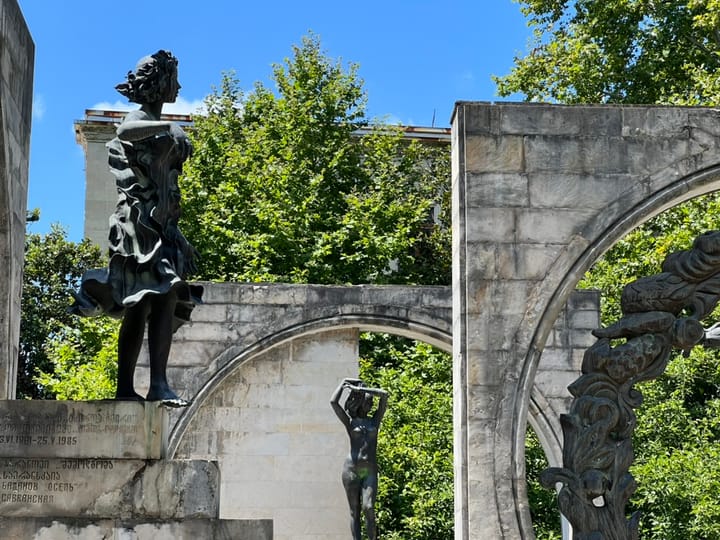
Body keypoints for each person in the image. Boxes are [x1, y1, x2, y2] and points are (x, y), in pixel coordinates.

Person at [71, 50, 202, 407]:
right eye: (174, 79)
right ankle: (147, 385)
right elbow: (125, 130)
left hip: (160, 226)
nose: (178, 86)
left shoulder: (155, 123)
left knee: (151, 302)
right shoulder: (140, 118)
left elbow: (167, 188)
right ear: (160, 83)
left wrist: (178, 235)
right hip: (137, 224)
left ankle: (140, 386)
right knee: (149, 301)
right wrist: (168, 126)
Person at [330, 377, 388, 540]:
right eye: (367, 402)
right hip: (351, 469)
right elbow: (333, 402)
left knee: (368, 507)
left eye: (369, 402)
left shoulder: (374, 421)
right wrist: (343, 382)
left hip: (369, 470)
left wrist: (361, 389)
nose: (369, 405)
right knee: (354, 511)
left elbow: (384, 395)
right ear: (360, 403)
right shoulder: (350, 421)